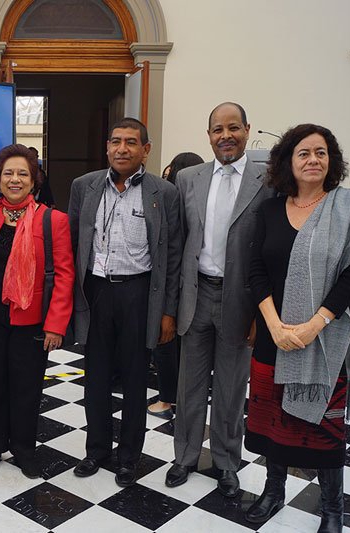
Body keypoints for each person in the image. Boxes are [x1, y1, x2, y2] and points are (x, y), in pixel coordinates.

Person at [244, 124, 350, 532]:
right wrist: (274, 323)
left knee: (324, 430)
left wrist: (313, 326)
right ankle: (274, 490)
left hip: (323, 341)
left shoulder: (348, 208)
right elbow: (256, 271)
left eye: (321, 153)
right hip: (273, 336)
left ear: (331, 161)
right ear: (288, 161)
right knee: (272, 424)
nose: (313, 160)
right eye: (304, 153)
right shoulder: (269, 209)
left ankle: (333, 507)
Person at [166, 102, 274, 497]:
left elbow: (271, 249)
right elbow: (177, 244)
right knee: (188, 386)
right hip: (196, 296)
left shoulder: (268, 179)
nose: (225, 136)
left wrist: (262, 313)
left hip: (240, 301)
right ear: (208, 135)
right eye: (217, 129)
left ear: (247, 130)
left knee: (231, 389)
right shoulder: (188, 178)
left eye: (233, 128)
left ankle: (227, 462)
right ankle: (185, 457)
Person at [69, 117, 181, 487]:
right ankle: (96, 450)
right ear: (107, 146)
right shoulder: (84, 187)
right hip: (96, 292)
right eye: (115, 141)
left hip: (139, 294)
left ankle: (129, 458)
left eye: (131, 142)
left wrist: (168, 311)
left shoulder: (163, 193)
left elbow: (174, 255)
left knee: (135, 380)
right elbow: (72, 246)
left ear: (145, 150)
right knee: (95, 379)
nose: (122, 149)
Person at [0, 144, 74, 478]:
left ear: (34, 180)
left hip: (31, 322)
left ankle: (25, 449)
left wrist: (56, 325)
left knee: (26, 388)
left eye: (22, 174)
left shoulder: (52, 221)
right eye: (8, 173)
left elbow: (65, 274)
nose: (15, 180)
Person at [148, 151, 204, 420]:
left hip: (169, 281)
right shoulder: (199, 200)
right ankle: (185, 397)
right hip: (197, 284)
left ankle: (167, 398)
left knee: (165, 342)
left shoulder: (168, 199)